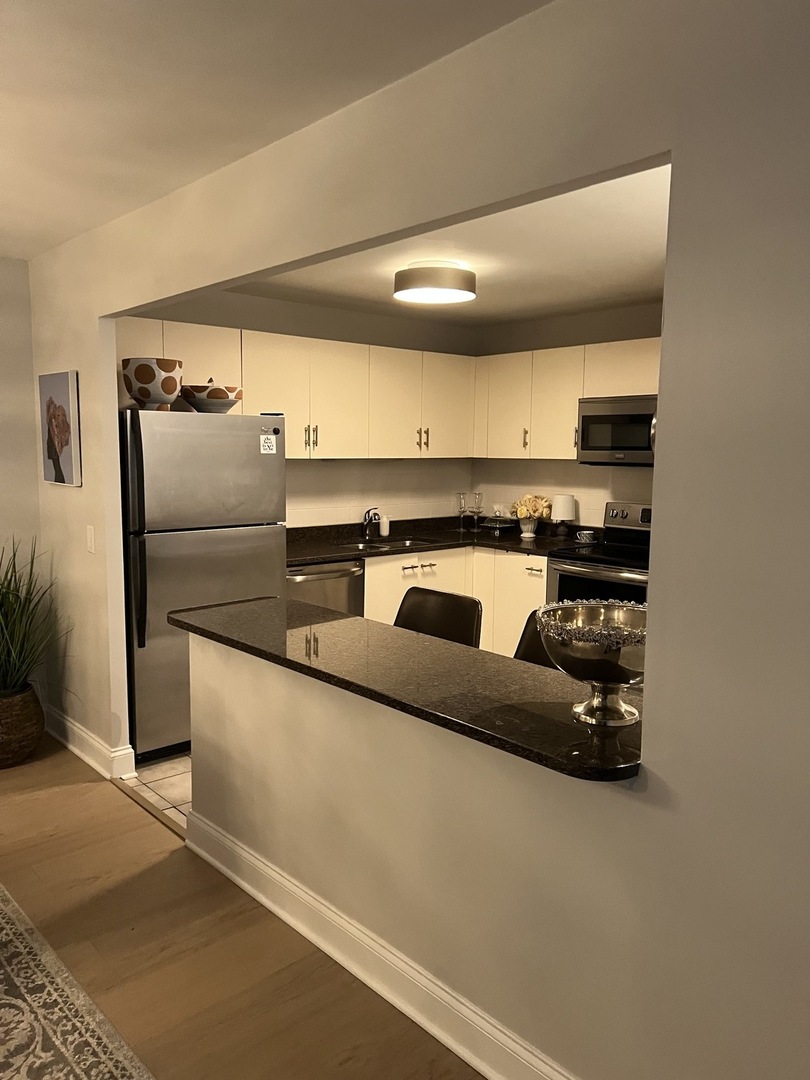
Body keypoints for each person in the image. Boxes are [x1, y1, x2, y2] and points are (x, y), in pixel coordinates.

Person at [46, 397, 70, 484]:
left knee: (57, 467)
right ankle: (59, 482)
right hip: (52, 447)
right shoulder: (52, 423)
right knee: (56, 467)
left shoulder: (60, 425)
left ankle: (60, 481)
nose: (60, 417)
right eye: (58, 415)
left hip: (54, 448)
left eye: (61, 415)